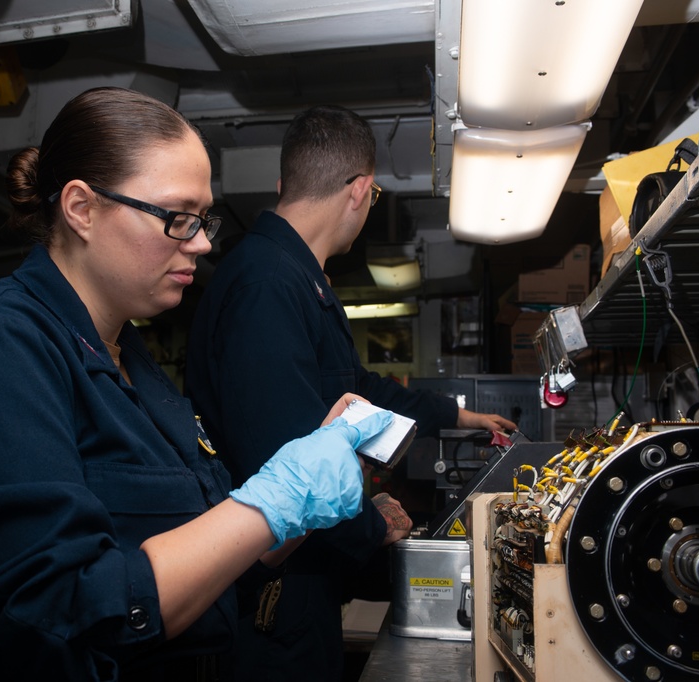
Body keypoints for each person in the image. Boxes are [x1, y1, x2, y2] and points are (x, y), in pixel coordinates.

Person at [0, 87, 393, 682]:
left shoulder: (133, 362)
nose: (201, 242)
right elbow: (65, 610)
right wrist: (275, 499)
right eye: (177, 218)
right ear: (82, 209)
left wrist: (297, 497)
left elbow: (217, 564)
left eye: (204, 220)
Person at [185, 104, 517, 681]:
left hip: (302, 568)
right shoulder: (268, 284)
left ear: (286, 183)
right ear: (361, 191)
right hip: (273, 592)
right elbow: (285, 468)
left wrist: (462, 416)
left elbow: (357, 389)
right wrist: (370, 524)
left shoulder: (296, 276)